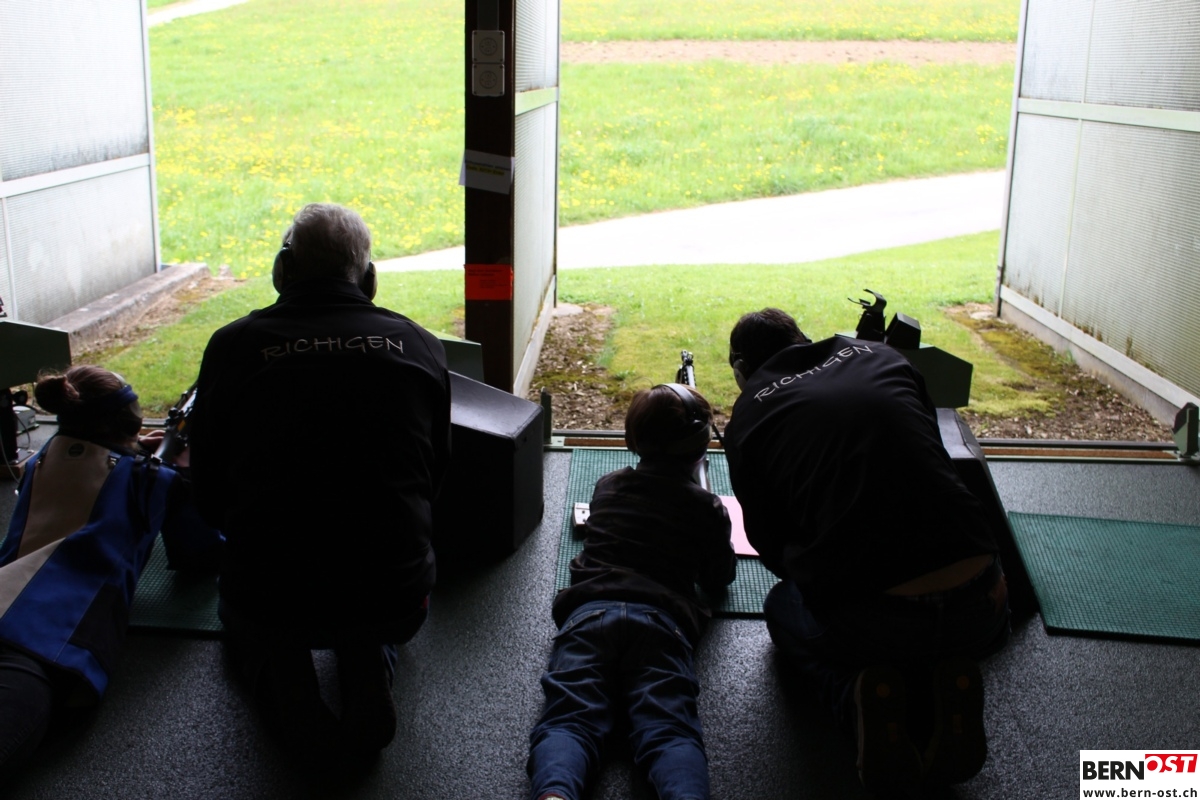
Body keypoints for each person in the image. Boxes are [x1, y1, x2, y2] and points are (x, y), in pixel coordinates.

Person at [187, 202, 451, 767]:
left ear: (282, 270)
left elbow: (207, 493)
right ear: (369, 278)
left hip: (270, 595)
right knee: (367, 613)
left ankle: (289, 682)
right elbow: (434, 479)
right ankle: (367, 658)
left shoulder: (232, 346)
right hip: (397, 595)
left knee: (248, 616)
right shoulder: (420, 344)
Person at [723, 308, 1010, 792]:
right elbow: (933, 454)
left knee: (782, 608)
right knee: (929, 624)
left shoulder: (748, 416)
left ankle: (855, 699)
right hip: (982, 605)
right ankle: (936, 679)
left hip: (875, 625)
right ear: (804, 337)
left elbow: (771, 548)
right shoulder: (883, 356)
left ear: (740, 370)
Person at [0, 366, 222, 782]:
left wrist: (138, 456)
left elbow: (94, 468)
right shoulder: (152, 480)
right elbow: (202, 555)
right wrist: (184, 477)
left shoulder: (41, 459)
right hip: (48, 642)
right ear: (131, 421)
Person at [527, 383, 736, 800]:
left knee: (570, 718)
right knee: (668, 727)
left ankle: (554, 794)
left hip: (589, 612)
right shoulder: (707, 507)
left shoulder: (608, 485)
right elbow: (719, 579)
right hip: (661, 620)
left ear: (632, 439)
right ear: (701, 446)